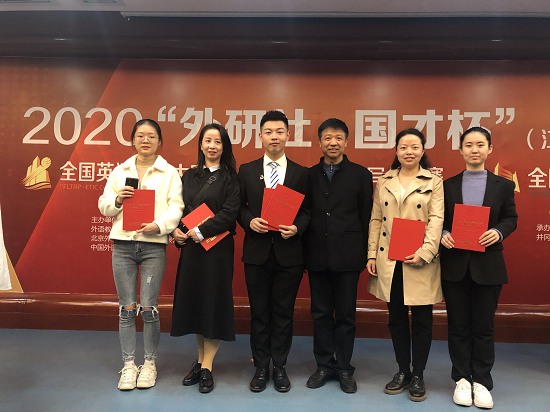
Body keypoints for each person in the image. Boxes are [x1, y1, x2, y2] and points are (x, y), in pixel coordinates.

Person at [98, 119, 184, 391]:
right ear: (132, 140)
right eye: (140, 136)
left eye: (151, 136)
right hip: (123, 245)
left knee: (149, 308)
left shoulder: (169, 173)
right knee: (126, 309)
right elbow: (103, 206)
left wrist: (158, 226)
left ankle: (149, 364)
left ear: (159, 141)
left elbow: (176, 208)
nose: (145, 140)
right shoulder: (120, 170)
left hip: (153, 246)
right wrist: (117, 200)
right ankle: (128, 365)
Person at [440, 127, 517, 409]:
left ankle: (482, 381)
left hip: (488, 266)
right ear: (460, 150)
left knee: (484, 327)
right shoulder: (446, 185)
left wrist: (498, 231)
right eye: (469, 145)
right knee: (458, 326)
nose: (474, 150)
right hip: (455, 266)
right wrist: (442, 234)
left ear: (490, 149)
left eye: (480, 144)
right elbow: (438, 220)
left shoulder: (504, 185)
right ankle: (461, 378)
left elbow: (511, 218)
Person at [366, 128, 444, 402]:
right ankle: (403, 371)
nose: (409, 152)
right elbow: (376, 219)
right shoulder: (384, 180)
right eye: (403, 147)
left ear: (423, 151)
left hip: (420, 260)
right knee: (396, 320)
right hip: (390, 260)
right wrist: (371, 254)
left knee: (422, 321)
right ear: (396, 151)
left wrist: (426, 252)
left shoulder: (434, 181)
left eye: (414, 147)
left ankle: (418, 374)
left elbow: (436, 220)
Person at [237, 110, 310, 393]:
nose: (274, 137)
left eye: (279, 132)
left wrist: (298, 227)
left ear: (288, 135)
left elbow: (308, 211)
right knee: (259, 312)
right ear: (260, 136)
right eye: (268, 132)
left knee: (283, 313)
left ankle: (279, 366)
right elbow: (238, 207)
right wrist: (249, 221)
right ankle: (260, 367)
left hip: (289, 255)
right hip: (256, 254)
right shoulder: (246, 170)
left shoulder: (301, 173)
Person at [303, 118, 373, 393]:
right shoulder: (308, 175)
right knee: (320, 313)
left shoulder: (361, 174)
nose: (333, 143)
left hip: (348, 255)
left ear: (346, 141)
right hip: (316, 254)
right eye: (328, 138)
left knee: (346, 315)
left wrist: (366, 253)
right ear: (319, 142)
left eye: (338, 138)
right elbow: (305, 213)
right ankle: (324, 365)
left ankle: (344, 367)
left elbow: (367, 216)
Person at [170, 124, 240, 393]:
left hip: (217, 249)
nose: (212, 146)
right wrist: (176, 231)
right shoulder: (188, 176)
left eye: (218, 142)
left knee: (213, 303)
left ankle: (207, 366)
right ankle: (200, 361)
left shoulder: (231, 177)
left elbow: (230, 214)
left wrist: (200, 231)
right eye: (208, 141)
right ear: (200, 144)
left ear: (224, 147)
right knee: (198, 304)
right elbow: (177, 208)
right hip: (191, 249)